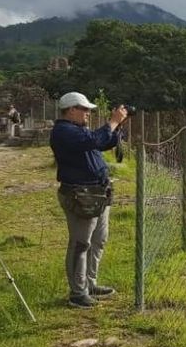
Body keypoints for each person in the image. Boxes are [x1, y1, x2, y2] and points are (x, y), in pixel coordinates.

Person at [50, 92, 128, 309]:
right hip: (80, 194)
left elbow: (101, 143)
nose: (88, 113)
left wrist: (117, 127)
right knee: (80, 243)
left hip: (97, 192)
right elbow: (94, 140)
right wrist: (112, 121)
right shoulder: (63, 131)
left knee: (98, 239)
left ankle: (89, 284)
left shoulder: (77, 130)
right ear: (72, 110)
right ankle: (77, 292)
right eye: (84, 109)